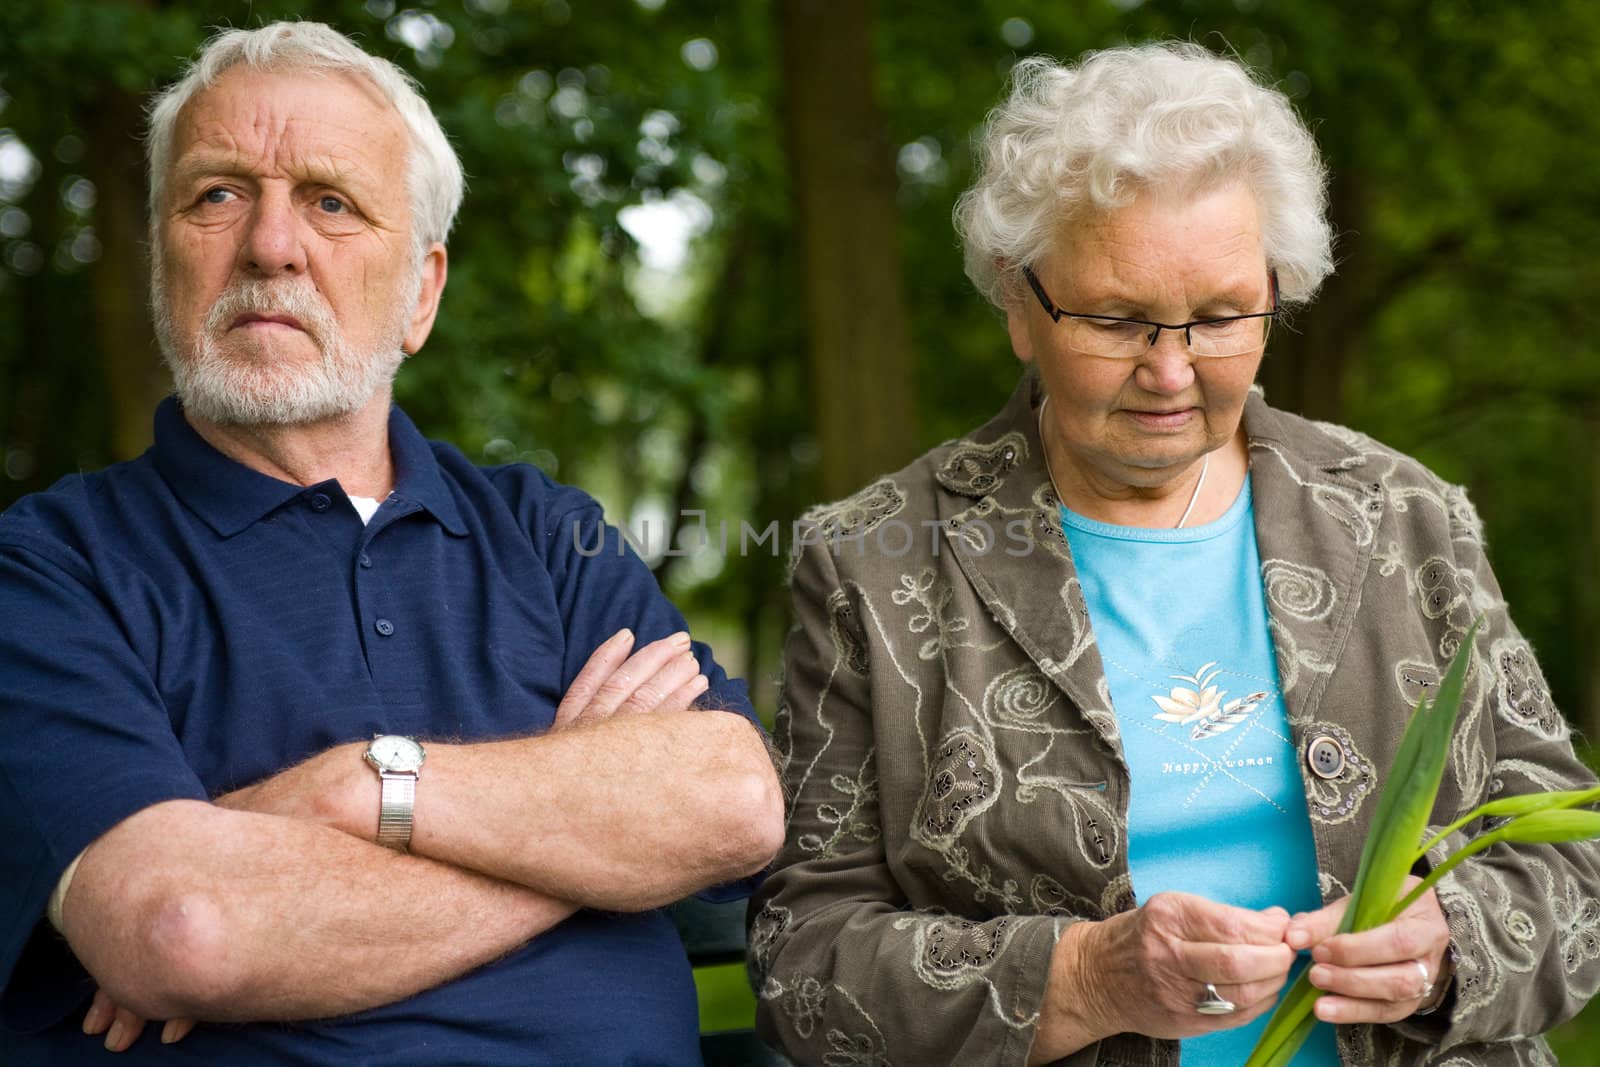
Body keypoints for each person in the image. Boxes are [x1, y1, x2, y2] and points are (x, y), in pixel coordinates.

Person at [750, 42, 1600, 1066]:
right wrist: (1084, 977)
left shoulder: (1403, 517)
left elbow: (1572, 858)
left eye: (1218, 317)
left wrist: (1448, 948)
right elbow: (801, 960)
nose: (1169, 369)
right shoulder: (874, 563)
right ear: (1018, 302)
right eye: (1116, 319)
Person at [0, 21, 783, 1065]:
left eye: (330, 202)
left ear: (421, 291)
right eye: (217, 193)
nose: (271, 243)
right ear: (161, 259)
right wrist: (584, 827)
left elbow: (729, 799)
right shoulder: (46, 568)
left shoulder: (547, 534)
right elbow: (185, 925)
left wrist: (357, 787)